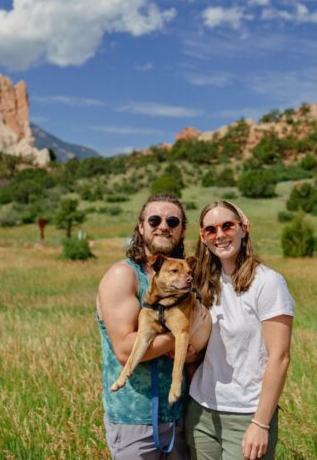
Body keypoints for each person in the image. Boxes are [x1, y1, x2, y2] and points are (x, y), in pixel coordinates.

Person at [97, 194, 210, 459]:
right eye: (154, 220)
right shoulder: (123, 276)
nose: (163, 226)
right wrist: (183, 333)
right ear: (141, 227)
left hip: (179, 415)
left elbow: (199, 347)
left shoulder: (185, 278)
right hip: (135, 419)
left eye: (173, 221)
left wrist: (193, 347)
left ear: (182, 230)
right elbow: (126, 349)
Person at [186, 201, 294, 460]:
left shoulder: (268, 283)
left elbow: (279, 357)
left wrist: (260, 424)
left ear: (244, 228)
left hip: (246, 414)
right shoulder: (204, 282)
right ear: (203, 237)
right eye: (211, 230)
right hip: (201, 411)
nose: (220, 235)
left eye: (228, 226)